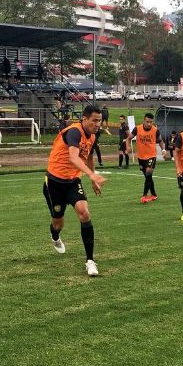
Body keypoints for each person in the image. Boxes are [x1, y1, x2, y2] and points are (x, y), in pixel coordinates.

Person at [43, 105, 107, 276]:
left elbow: (90, 156)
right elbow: (73, 157)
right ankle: (55, 236)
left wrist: (92, 178)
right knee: (58, 222)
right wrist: (92, 176)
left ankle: (90, 261)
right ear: (84, 119)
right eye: (94, 120)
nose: (97, 124)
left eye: (99, 120)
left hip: (72, 181)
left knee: (84, 213)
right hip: (54, 182)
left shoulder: (93, 135)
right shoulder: (74, 132)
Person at [126, 112, 166, 203]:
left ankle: (144, 196)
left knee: (148, 172)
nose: (149, 124)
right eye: (147, 121)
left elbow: (160, 141)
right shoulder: (137, 128)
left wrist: (163, 149)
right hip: (141, 157)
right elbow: (128, 138)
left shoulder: (155, 130)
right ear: (144, 120)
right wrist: (128, 147)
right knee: (148, 177)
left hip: (151, 156)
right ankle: (154, 194)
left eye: (151, 122)